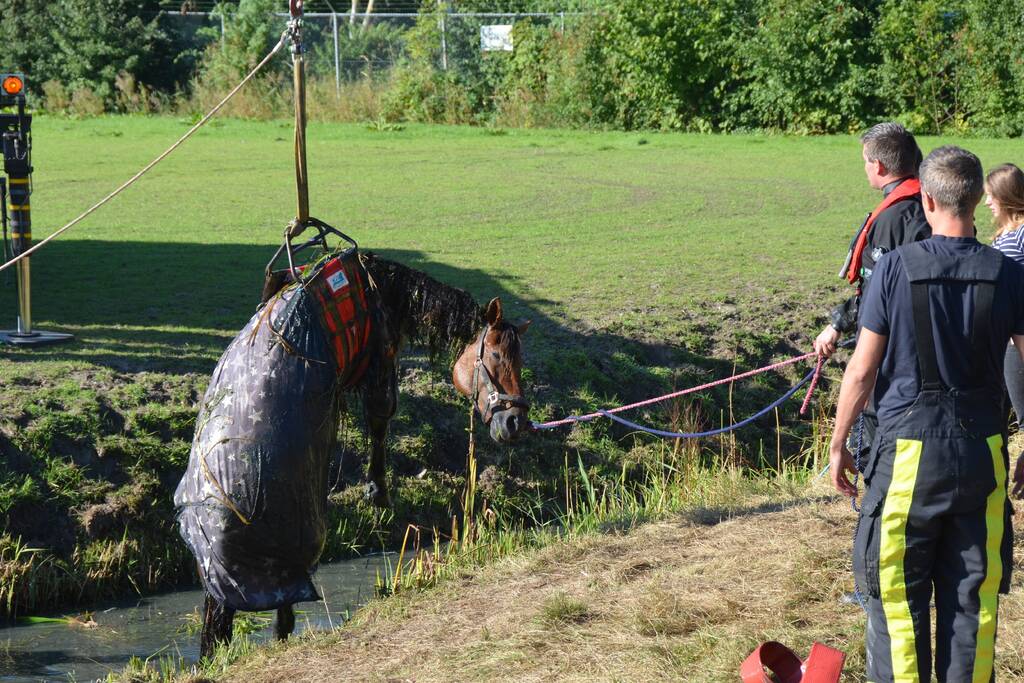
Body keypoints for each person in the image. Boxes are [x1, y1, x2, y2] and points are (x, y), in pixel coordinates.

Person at [829, 146, 1024, 682]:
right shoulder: (1007, 273)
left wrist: (838, 442)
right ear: (975, 198)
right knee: (973, 606)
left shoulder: (894, 268)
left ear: (930, 200)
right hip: (984, 455)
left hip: (907, 456)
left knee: (897, 599)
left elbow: (862, 371)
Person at [815, 122, 931, 465]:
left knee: (874, 450)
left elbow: (880, 294)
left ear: (878, 166)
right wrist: (838, 323)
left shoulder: (896, 217)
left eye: (865, 161)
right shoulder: (928, 204)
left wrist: (853, 329)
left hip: (891, 358)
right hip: (918, 353)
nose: (865, 168)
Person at [984, 163, 1024, 430]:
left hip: (1015, 341)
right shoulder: (1007, 235)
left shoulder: (1017, 237)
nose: (987, 202)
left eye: (991, 196)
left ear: (1006, 196)